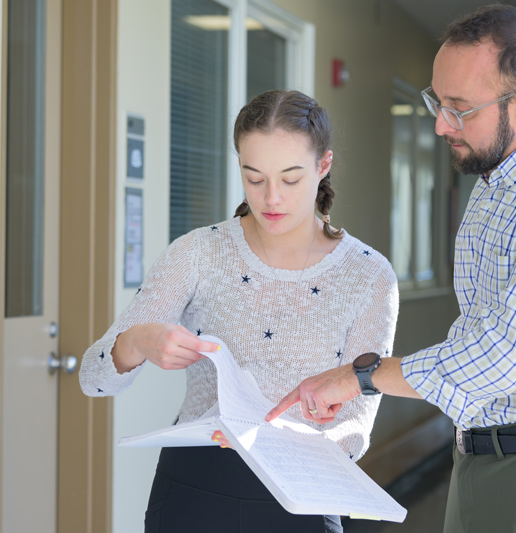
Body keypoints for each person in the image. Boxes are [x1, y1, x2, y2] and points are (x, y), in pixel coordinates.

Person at [267, 5, 516, 532]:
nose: (442, 124)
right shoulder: (495, 190)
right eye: (437, 102)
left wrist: (361, 378)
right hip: (481, 458)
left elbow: (501, 352)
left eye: (460, 108)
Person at [79, 89, 399, 532]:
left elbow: (357, 422)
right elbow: (93, 380)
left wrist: (295, 443)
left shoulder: (369, 274)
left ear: (323, 166)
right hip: (194, 488)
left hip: (303, 491)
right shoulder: (197, 252)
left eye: (290, 179)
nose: (271, 198)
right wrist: (137, 341)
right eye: (254, 177)